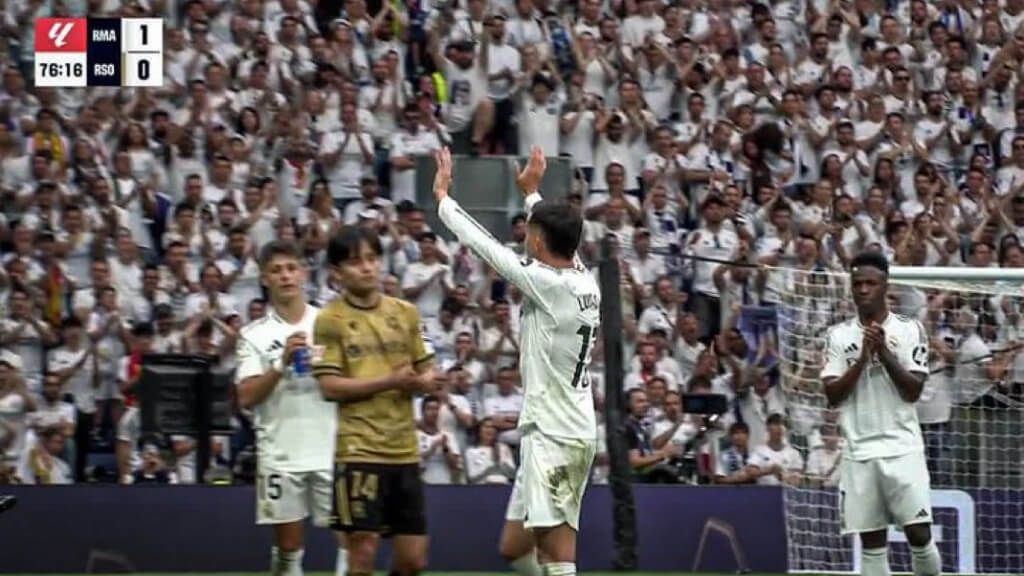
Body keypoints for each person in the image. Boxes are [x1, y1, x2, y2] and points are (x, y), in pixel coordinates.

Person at [433, 146, 600, 576]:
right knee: (513, 547)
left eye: (529, 229)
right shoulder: (582, 277)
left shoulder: (546, 283)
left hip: (556, 434)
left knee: (555, 553)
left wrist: (444, 200)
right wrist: (532, 193)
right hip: (556, 426)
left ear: (538, 240)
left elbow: (486, 248)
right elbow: (556, 233)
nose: (525, 235)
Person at [312, 226, 437, 576]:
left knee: (413, 561)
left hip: (405, 451)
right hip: (358, 451)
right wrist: (391, 380)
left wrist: (423, 382)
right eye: (355, 262)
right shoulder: (328, 320)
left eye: (372, 258)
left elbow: (430, 374)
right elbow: (329, 387)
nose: (367, 267)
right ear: (337, 273)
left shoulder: (407, 313)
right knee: (362, 552)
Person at [821, 251, 940, 576]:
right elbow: (833, 395)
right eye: (857, 283)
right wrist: (861, 358)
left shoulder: (909, 329)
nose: (862, 289)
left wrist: (884, 352)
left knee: (919, 533)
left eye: (870, 283)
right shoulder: (838, 336)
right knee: (872, 544)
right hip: (859, 451)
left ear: (885, 285)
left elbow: (913, 391)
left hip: (902, 447)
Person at [235, 240, 347, 576]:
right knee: (288, 552)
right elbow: (246, 397)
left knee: (352, 544)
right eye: (276, 270)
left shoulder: (331, 323)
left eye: (291, 268)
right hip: (281, 454)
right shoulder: (253, 335)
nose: (285, 276)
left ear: (304, 273)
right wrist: (280, 364)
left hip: (334, 448)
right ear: (265, 278)